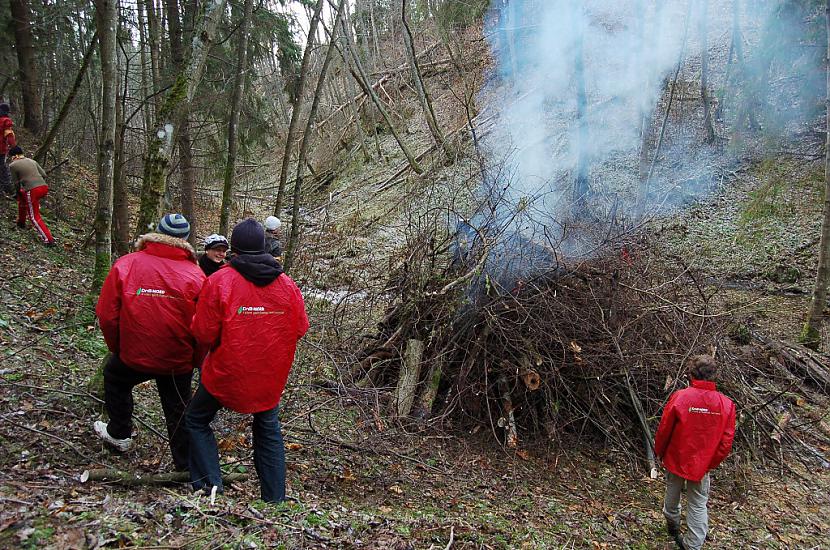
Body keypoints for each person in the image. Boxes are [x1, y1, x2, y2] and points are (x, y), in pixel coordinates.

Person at [187, 218, 308, 502]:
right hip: (269, 375)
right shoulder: (286, 284)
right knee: (268, 427)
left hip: (226, 371)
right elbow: (300, 327)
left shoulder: (220, 281)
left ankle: (209, 488)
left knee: (196, 419)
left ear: (235, 250)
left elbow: (202, 331)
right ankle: (274, 499)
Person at [95, 214, 206, 471]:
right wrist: (196, 360)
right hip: (177, 359)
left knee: (115, 377)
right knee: (178, 407)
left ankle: (120, 433)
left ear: (155, 233)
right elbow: (203, 327)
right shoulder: (196, 275)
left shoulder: (126, 265)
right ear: (185, 240)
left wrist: (118, 347)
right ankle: (185, 464)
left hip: (134, 354)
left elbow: (107, 315)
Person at [654, 355, 736, 550]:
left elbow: (665, 428)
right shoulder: (726, 404)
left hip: (676, 457)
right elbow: (726, 442)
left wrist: (660, 451)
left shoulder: (681, 396)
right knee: (698, 503)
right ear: (714, 376)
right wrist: (709, 463)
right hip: (702, 464)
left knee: (672, 492)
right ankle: (692, 545)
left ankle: (672, 524)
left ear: (691, 374)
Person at [9, 146, 55, 246]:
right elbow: (44, 174)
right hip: (43, 187)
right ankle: (21, 222)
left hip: (32, 190)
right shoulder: (32, 161)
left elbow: (16, 183)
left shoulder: (13, 165)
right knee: (23, 196)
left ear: (14, 156)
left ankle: (49, 240)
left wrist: (17, 193)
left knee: (34, 217)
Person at [0, 103, 16, 197]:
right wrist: (14, 147)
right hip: (1, 149)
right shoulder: (6, 121)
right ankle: (7, 187)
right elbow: (9, 135)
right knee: (2, 168)